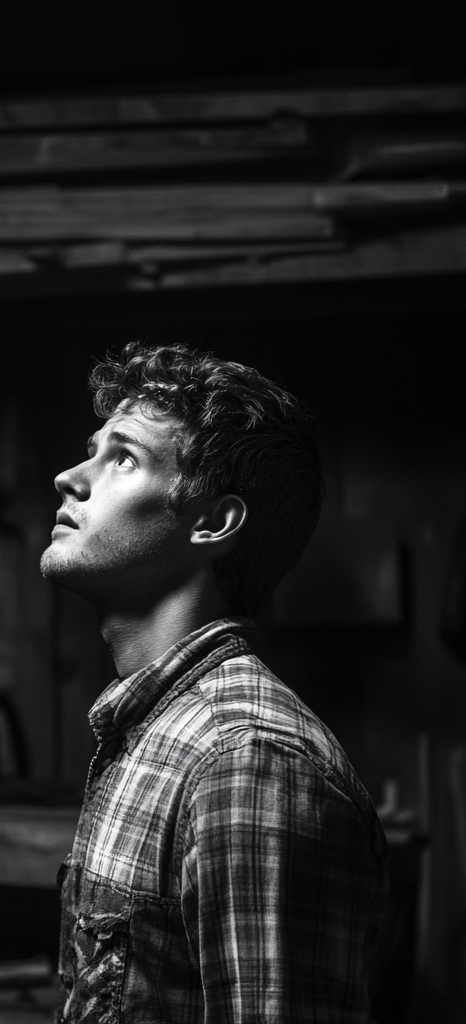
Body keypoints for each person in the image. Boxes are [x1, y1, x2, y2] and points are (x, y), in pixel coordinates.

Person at [41, 343, 389, 1022]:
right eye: (91, 449)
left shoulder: (247, 762)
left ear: (213, 522)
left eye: (123, 458)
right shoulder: (152, 731)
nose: (68, 477)